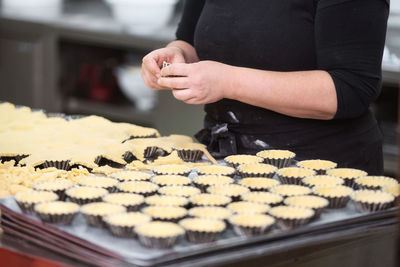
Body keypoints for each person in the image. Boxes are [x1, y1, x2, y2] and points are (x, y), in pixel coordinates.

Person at [141, 0, 389, 175]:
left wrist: (228, 81)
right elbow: (190, 40)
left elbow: (350, 88)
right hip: (226, 161)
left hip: (322, 170)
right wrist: (176, 54)